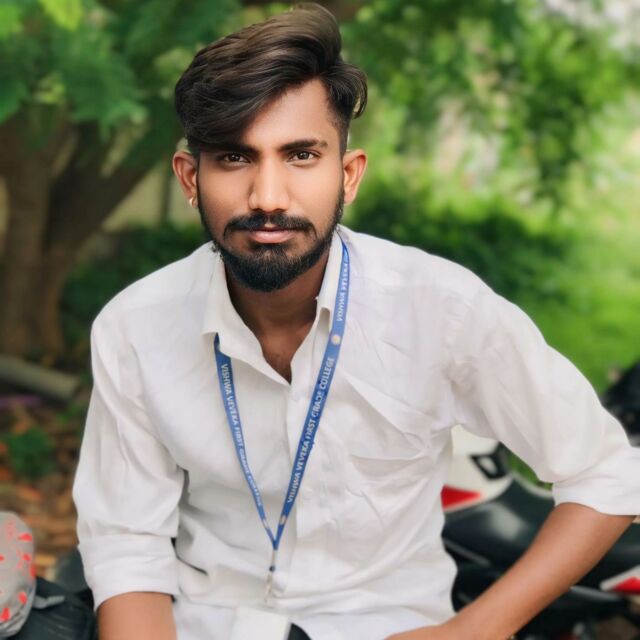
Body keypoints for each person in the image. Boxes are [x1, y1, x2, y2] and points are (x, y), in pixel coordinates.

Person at [71, 3, 640, 640]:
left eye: (300, 155)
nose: (267, 197)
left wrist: (473, 631)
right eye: (234, 157)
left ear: (348, 176)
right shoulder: (135, 328)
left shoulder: (440, 309)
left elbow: (605, 473)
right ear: (189, 178)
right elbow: (128, 543)